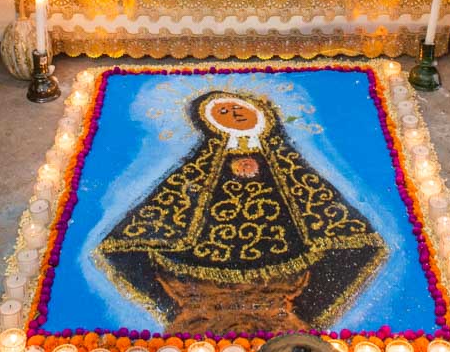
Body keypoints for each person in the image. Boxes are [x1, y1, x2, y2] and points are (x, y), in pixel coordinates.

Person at [97, 91, 384, 333]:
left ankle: (283, 305)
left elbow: (317, 201)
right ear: (209, 122)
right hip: (205, 259)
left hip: (281, 254)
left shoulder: (285, 159)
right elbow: (163, 210)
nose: (234, 113)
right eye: (223, 111)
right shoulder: (201, 164)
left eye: (239, 108)